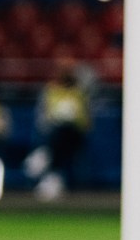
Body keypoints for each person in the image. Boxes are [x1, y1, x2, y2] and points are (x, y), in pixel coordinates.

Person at [30, 67, 93, 199]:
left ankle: (47, 157)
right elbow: (43, 118)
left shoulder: (78, 94)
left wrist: (73, 119)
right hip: (54, 132)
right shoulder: (51, 92)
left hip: (74, 135)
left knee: (63, 134)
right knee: (59, 134)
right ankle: (53, 171)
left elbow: (86, 122)